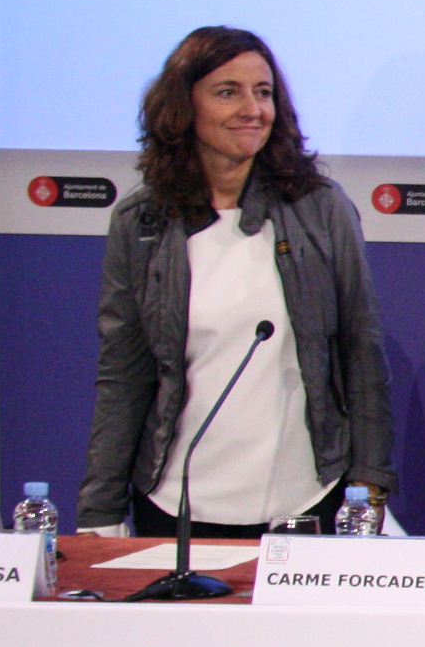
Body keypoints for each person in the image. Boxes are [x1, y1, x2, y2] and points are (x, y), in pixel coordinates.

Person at [79, 26, 393, 536]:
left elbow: (362, 352)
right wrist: (100, 510)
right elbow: (123, 375)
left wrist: (371, 486)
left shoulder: (321, 208)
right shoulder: (140, 221)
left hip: (306, 498)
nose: (253, 109)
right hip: (177, 503)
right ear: (183, 107)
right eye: (229, 92)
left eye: (263, 92)